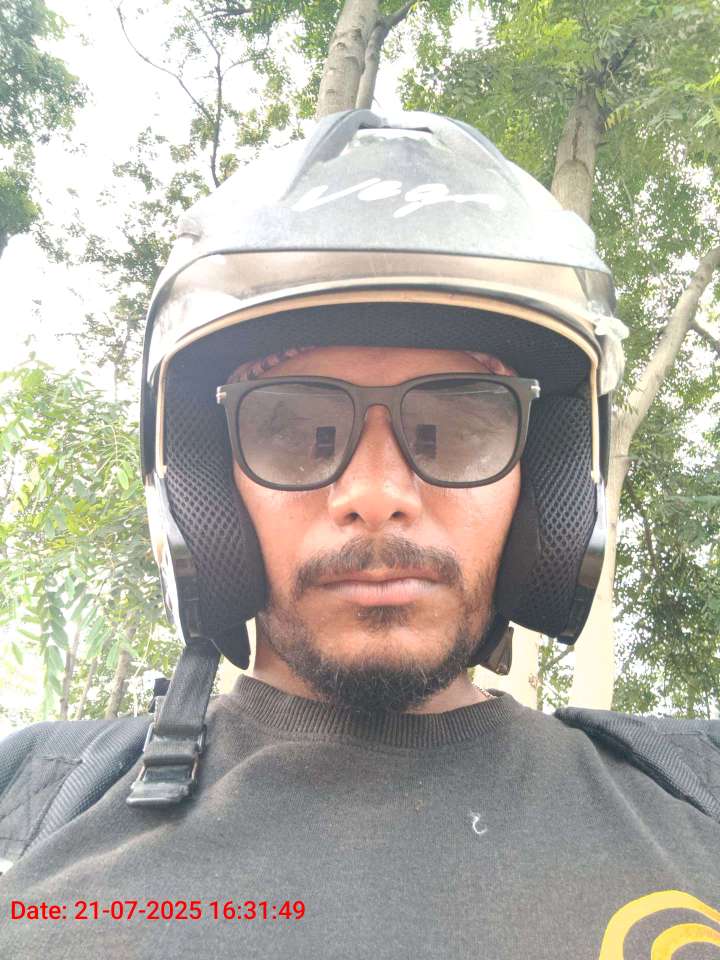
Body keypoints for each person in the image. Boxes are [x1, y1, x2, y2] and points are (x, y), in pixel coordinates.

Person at [1, 109, 718, 959]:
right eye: (298, 430)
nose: (376, 496)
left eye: (453, 429)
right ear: (204, 484)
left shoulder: (696, 794)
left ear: (543, 482)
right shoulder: (32, 804)